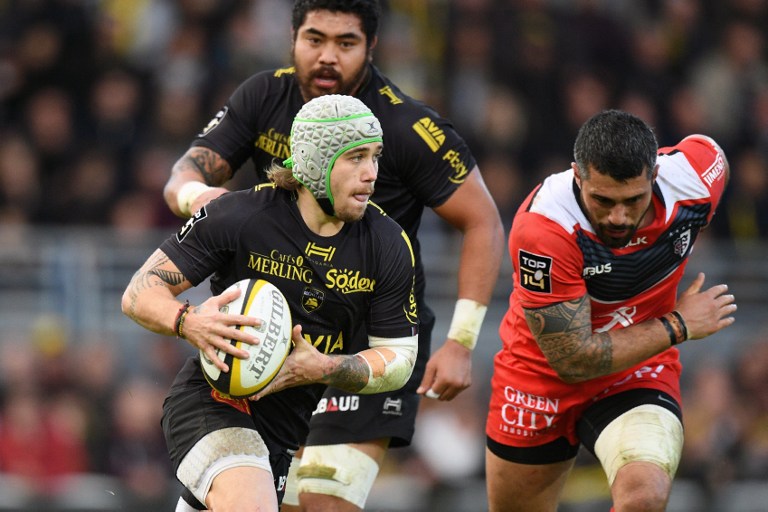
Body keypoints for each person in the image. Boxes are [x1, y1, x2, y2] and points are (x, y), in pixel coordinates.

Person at [162, 1, 504, 510]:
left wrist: (461, 340)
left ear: (371, 48)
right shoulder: (262, 96)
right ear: (292, 38)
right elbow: (181, 178)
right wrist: (201, 198)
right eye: (314, 39)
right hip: (283, 329)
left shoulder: (407, 127)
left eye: (345, 43)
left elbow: (483, 220)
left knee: (321, 504)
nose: (327, 56)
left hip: (371, 341)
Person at [122, 94, 419, 512]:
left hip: (284, 432)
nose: (371, 174)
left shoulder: (388, 245)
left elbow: (401, 359)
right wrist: (189, 321)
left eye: (376, 156)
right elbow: (140, 290)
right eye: (355, 158)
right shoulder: (240, 215)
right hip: (212, 403)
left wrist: (328, 367)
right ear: (315, 162)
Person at [485, 109, 738, 512]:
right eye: (602, 200)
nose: (618, 217)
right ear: (576, 176)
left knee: (644, 496)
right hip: (539, 378)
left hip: (634, 372)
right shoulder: (544, 227)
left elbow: (715, 159)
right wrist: (679, 324)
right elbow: (573, 359)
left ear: (655, 175)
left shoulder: (699, 176)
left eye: (632, 200)